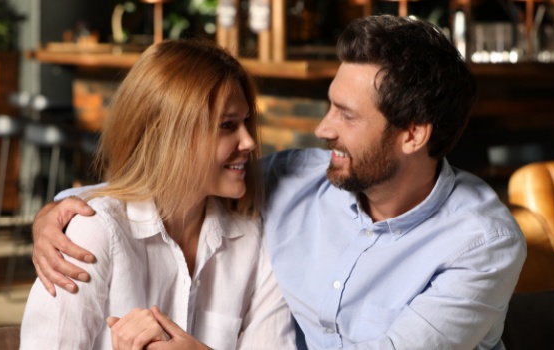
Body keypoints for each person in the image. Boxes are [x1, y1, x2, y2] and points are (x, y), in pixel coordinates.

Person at [32, 15, 527, 349]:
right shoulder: (297, 182)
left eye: (346, 115)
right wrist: (64, 212)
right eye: (330, 103)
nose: (322, 128)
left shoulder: (481, 244)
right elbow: (168, 179)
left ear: (413, 134)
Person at [20, 39, 296, 350]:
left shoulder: (258, 242)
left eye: (246, 122)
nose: (248, 141)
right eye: (227, 125)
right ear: (167, 135)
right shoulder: (93, 233)